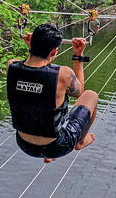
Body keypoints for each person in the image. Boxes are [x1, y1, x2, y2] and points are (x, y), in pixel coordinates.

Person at [7, 24, 99, 163]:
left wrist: (33, 48)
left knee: (34, 100)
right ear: (55, 51)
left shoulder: (11, 66)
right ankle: (79, 141)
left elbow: (29, 69)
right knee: (91, 95)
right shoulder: (63, 74)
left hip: (24, 144)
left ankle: (48, 155)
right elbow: (80, 92)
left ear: (31, 45)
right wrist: (78, 55)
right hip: (58, 146)